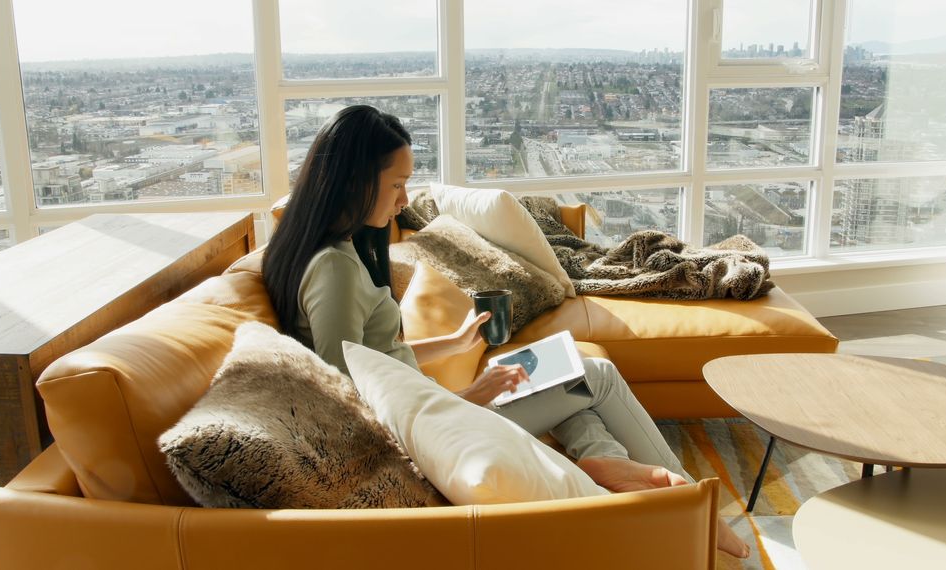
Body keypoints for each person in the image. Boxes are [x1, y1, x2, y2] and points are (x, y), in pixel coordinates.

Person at [262, 105, 750, 559]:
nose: (404, 201)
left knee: (569, 385)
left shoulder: (327, 253)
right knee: (593, 375)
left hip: (432, 409)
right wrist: (468, 397)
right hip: (434, 430)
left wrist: (451, 345)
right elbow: (345, 397)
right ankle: (692, 505)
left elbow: (375, 360)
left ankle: (606, 466)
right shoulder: (334, 269)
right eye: (397, 186)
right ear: (354, 181)